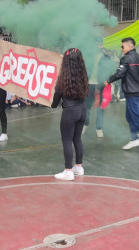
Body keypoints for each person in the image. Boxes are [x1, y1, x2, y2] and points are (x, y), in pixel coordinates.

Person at [105, 37, 139, 153]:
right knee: (130, 117)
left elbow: (119, 73)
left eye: (122, 46)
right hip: (135, 91)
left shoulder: (126, 58)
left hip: (132, 92)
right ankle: (134, 139)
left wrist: (108, 80)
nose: (121, 49)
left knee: (137, 117)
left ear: (129, 46)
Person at [51, 48, 89, 181]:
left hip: (70, 112)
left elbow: (55, 100)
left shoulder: (63, 79)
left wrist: (53, 104)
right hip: (82, 110)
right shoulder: (83, 76)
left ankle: (68, 171)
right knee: (77, 139)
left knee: (67, 140)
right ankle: (78, 167)